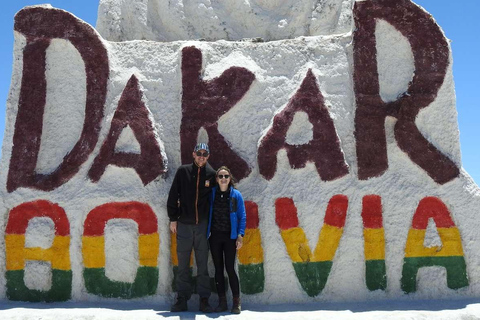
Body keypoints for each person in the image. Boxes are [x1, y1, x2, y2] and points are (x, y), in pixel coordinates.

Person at [167, 143, 216, 313]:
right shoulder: (183, 171)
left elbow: (218, 199)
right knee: (183, 264)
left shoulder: (212, 174)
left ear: (208, 156)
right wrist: (173, 219)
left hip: (202, 226)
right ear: (193, 154)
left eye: (205, 153)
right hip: (184, 225)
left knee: (202, 264)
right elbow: (173, 195)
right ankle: (182, 298)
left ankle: (204, 299)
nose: (202, 156)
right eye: (199, 153)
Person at [207, 166, 246, 314]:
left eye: (226, 176)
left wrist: (240, 235)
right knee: (218, 269)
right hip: (215, 236)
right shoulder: (211, 194)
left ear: (230, 179)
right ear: (216, 179)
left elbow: (242, 216)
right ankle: (222, 301)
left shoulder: (236, 195)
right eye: (221, 176)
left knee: (230, 268)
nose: (223, 179)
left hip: (230, 237)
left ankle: (236, 302)